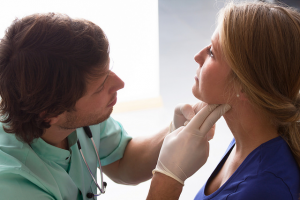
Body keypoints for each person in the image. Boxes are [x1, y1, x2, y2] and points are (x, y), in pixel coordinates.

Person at [0, 12, 230, 200]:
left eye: (107, 72)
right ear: (50, 115)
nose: (120, 83)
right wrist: (169, 177)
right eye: (100, 87)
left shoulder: (76, 113)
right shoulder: (13, 185)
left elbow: (122, 161)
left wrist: (174, 131)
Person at [148, 1, 300, 200]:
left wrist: (168, 178)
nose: (197, 56)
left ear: (244, 87)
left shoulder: (261, 191)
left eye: (212, 52)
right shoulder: (247, 142)